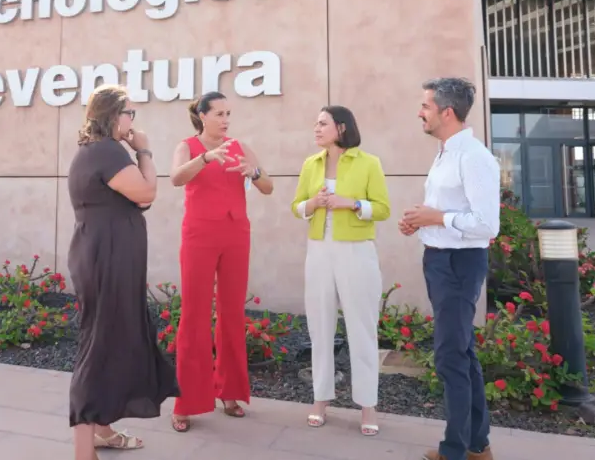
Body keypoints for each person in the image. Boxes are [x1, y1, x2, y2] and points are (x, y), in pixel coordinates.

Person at [66, 84, 179, 460]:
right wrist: (143, 149)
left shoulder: (94, 152)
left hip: (104, 256)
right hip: (107, 260)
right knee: (98, 349)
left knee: (110, 341)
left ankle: (102, 430)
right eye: (131, 113)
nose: (134, 121)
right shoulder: (109, 151)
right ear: (113, 116)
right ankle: (84, 449)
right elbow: (146, 192)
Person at [399, 78, 500, 460]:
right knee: (461, 352)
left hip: (459, 264)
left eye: (425, 105)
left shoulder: (473, 156)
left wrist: (437, 216)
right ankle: (476, 445)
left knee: (450, 356)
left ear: (447, 112)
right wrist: (423, 221)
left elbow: (487, 224)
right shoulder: (446, 153)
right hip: (441, 261)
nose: (420, 112)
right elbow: (447, 213)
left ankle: (456, 451)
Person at [167, 90, 274, 432]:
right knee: (195, 314)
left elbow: (268, 186)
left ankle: (230, 392)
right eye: (219, 114)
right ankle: (187, 401)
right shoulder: (188, 146)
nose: (226, 120)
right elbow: (175, 178)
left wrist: (253, 173)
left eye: (229, 113)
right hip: (199, 237)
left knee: (231, 313)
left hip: (236, 235)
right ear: (202, 116)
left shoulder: (241, 146)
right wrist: (206, 158)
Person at [291, 105, 391, 436]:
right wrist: (313, 205)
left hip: (357, 252)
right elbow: (297, 206)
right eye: (316, 122)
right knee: (319, 326)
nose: (316, 128)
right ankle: (321, 399)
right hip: (319, 251)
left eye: (323, 123)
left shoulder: (369, 163)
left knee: (362, 329)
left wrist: (352, 204)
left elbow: (383, 208)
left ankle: (367, 406)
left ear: (342, 127)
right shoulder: (311, 164)